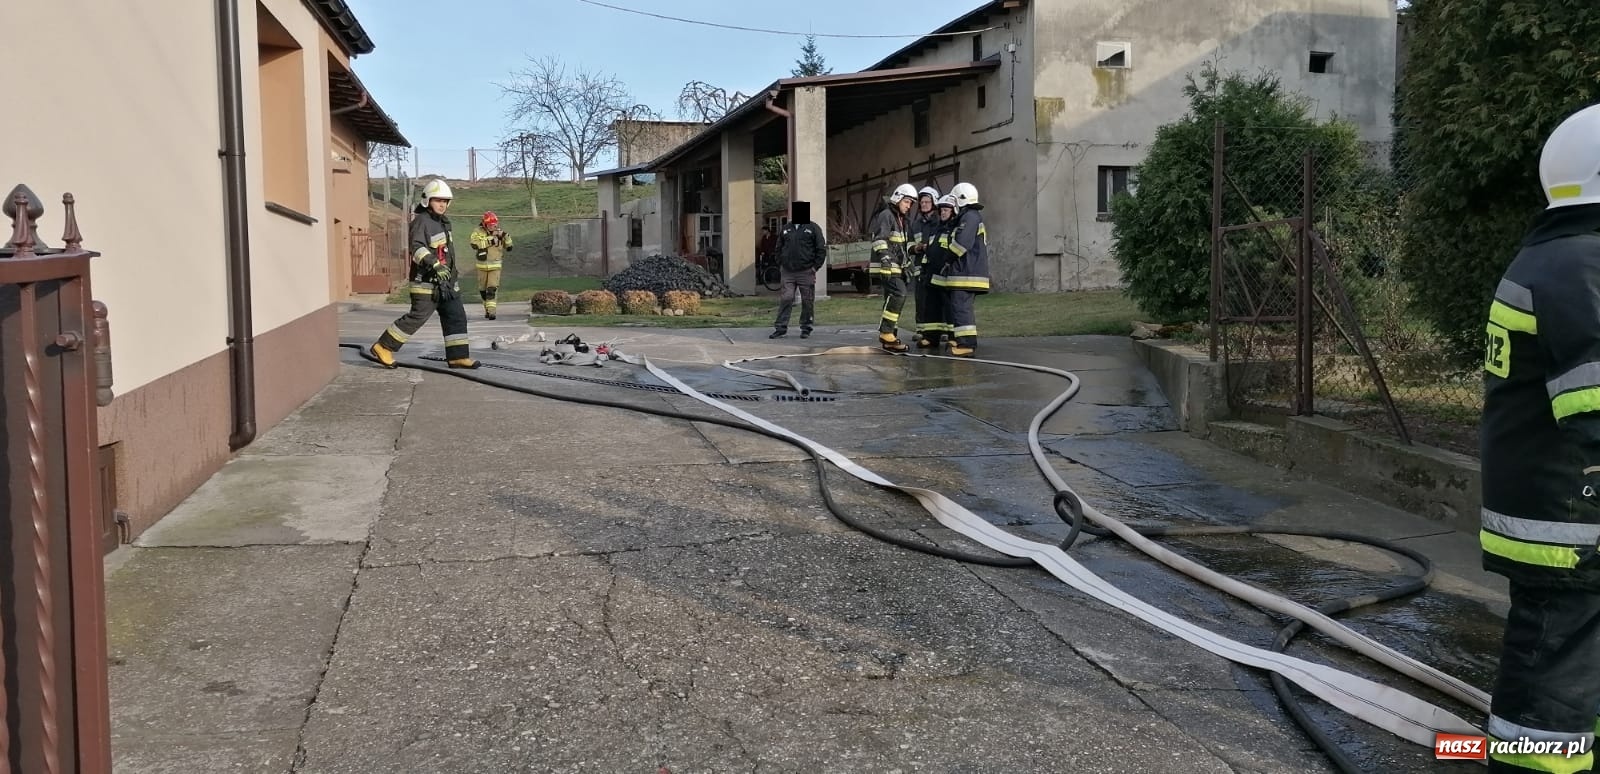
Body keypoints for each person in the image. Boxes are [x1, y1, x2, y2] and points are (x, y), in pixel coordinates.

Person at [1478, 102, 1600, 774]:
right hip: (1569, 520)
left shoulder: (1560, 255)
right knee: (1552, 675)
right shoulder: (1584, 264)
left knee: (1575, 666)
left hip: (1560, 511)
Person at [368, 178, 480, 369]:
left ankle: (457, 357)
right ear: (427, 200)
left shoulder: (444, 223)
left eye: (445, 201)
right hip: (426, 282)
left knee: (456, 317)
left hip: (447, 283)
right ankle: (383, 346)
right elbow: (417, 248)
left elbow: (447, 252)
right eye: (438, 200)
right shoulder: (421, 221)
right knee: (417, 317)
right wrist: (434, 264)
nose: (442, 205)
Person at [930, 182, 989, 358]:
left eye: (955, 200)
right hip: (964, 272)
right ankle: (959, 339)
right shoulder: (968, 216)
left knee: (961, 307)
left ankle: (967, 344)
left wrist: (947, 259)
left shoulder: (970, 217)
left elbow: (961, 244)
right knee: (957, 307)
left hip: (967, 272)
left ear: (962, 199)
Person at [869, 183, 918, 351]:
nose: (908, 206)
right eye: (906, 202)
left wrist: (907, 264)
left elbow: (900, 247)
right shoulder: (887, 215)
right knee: (899, 293)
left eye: (911, 203)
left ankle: (890, 338)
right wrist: (885, 260)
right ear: (897, 199)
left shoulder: (901, 219)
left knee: (891, 298)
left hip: (896, 267)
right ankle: (886, 332)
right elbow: (879, 239)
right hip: (888, 266)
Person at [770, 200, 827, 339]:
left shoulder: (813, 228)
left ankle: (806, 327)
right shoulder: (786, 228)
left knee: (807, 300)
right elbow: (778, 248)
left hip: (806, 271)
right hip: (788, 272)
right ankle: (781, 327)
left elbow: (821, 249)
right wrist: (781, 264)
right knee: (786, 298)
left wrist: (815, 267)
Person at [917, 193, 960, 349]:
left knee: (950, 308)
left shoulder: (955, 229)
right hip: (932, 274)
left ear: (953, 211)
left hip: (947, 276)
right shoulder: (936, 228)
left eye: (946, 210)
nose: (943, 213)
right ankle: (930, 337)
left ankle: (953, 337)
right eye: (941, 210)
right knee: (931, 306)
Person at [908, 186, 949, 348]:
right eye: (922, 202)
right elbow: (909, 244)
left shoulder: (940, 221)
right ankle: (922, 331)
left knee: (941, 299)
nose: (924, 204)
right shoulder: (916, 224)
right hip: (921, 268)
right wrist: (916, 248)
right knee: (922, 300)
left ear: (934, 202)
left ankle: (943, 331)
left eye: (927, 201)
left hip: (937, 267)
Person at [468, 210, 513, 319]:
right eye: (490, 225)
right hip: (481, 266)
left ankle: (492, 312)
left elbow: (509, 247)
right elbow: (474, 244)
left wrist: (506, 237)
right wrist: (491, 240)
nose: (493, 226)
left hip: (495, 266)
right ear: (484, 224)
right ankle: (487, 310)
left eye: (494, 224)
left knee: (491, 289)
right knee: (483, 291)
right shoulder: (477, 232)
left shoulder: (500, 232)